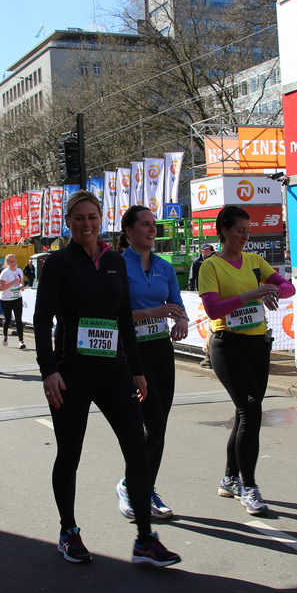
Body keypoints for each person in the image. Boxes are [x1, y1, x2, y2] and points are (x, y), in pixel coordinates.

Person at [34, 190, 181, 568]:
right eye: (79, 217)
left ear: (102, 220)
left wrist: (137, 369)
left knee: (137, 450)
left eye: (93, 217)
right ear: (69, 222)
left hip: (114, 371)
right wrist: (48, 371)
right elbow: (42, 319)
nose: (87, 224)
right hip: (71, 373)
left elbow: (123, 320)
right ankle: (68, 530)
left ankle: (145, 539)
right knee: (70, 454)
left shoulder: (114, 262)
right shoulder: (58, 263)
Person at [198, 205, 294, 516]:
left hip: (257, 346)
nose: (245, 237)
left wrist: (273, 289)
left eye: (248, 232)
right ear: (224, 230)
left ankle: (229, 478)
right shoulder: (211, 265)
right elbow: (213, 309)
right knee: (251, 412)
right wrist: (252, 294)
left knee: (245, 415)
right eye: (240, 231)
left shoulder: (254, 261)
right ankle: (248, 486)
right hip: (228, 346)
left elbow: (288, 286)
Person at [115, 205, 189, 521]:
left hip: (161, 350)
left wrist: (181, 319)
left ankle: (144, 487)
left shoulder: (164, 267)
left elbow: (177, 304)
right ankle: (132, 486)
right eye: (144, 224)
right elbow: (113, 314)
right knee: (152, 425)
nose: (151, 229)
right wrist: (151, 312)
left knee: (160, 426)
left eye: (153, 224)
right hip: (132, 353)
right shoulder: (117, 265)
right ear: (129, 231)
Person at [0, 253, 27, 349]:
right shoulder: (5, 273)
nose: (13, 263)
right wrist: (12, 283)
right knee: (8, 320)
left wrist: (21, 286)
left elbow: (21, 282)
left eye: (14, 261)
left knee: (18, 319)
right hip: (6, 299)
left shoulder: (19, 271)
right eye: (10, 261)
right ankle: (5, 335)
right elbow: (1, 288)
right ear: (7, 263)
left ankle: (21, 341)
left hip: (17, 298)